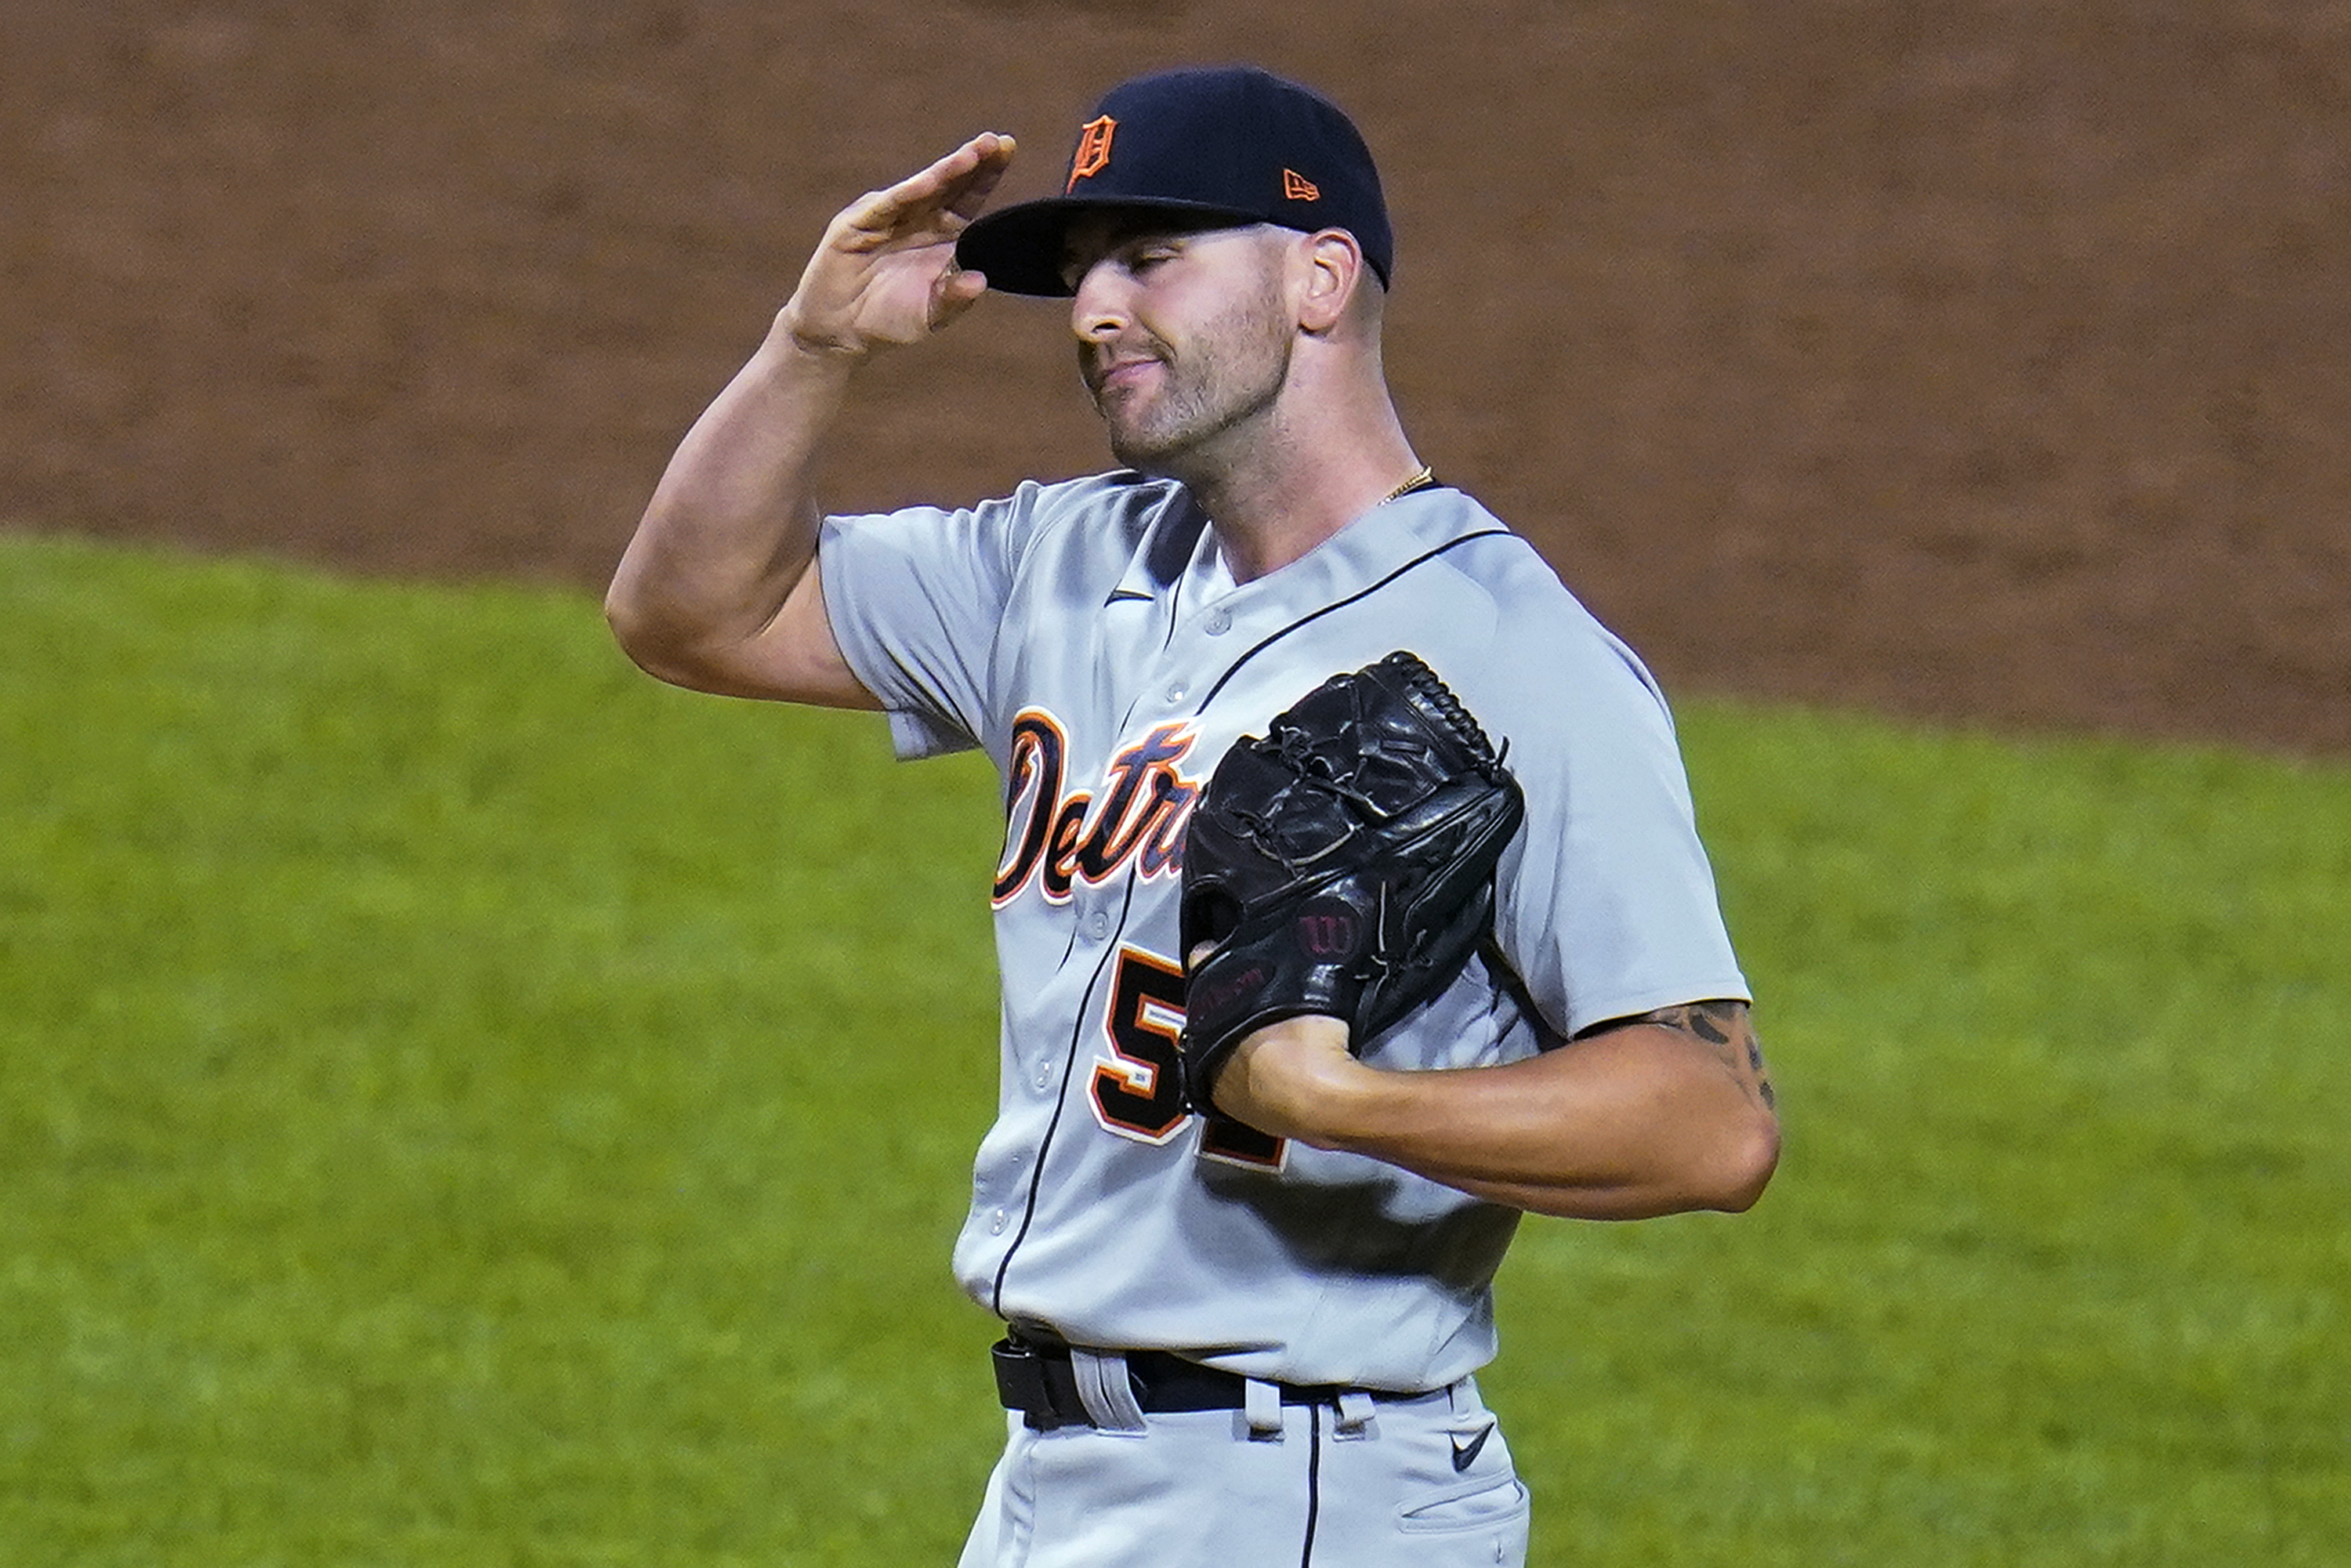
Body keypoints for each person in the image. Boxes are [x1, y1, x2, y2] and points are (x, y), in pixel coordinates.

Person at [607, 63, 1779, 1568]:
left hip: (1299, 1485)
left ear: (1318, 277)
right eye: (1080, 272)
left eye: (1151, 257)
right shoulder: (1065, 560)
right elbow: (689, 616)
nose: (1094, 310)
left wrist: (1343, 1101)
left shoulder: (1514, 657)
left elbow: (1713, 1121)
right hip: (1054, 1481)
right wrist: (810, 348)